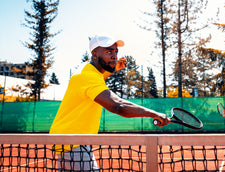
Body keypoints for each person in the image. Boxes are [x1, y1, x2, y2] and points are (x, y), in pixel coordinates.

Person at [49, 35, 169, 171]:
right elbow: (118, 106)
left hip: (67, 139)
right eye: (108, 52)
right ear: (94, 54)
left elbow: (97, 77)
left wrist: (112, 69)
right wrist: (154, 113)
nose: (114, 56)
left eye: (115, 52)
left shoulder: (86, 70)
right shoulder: (89, 76)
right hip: (74, 142)